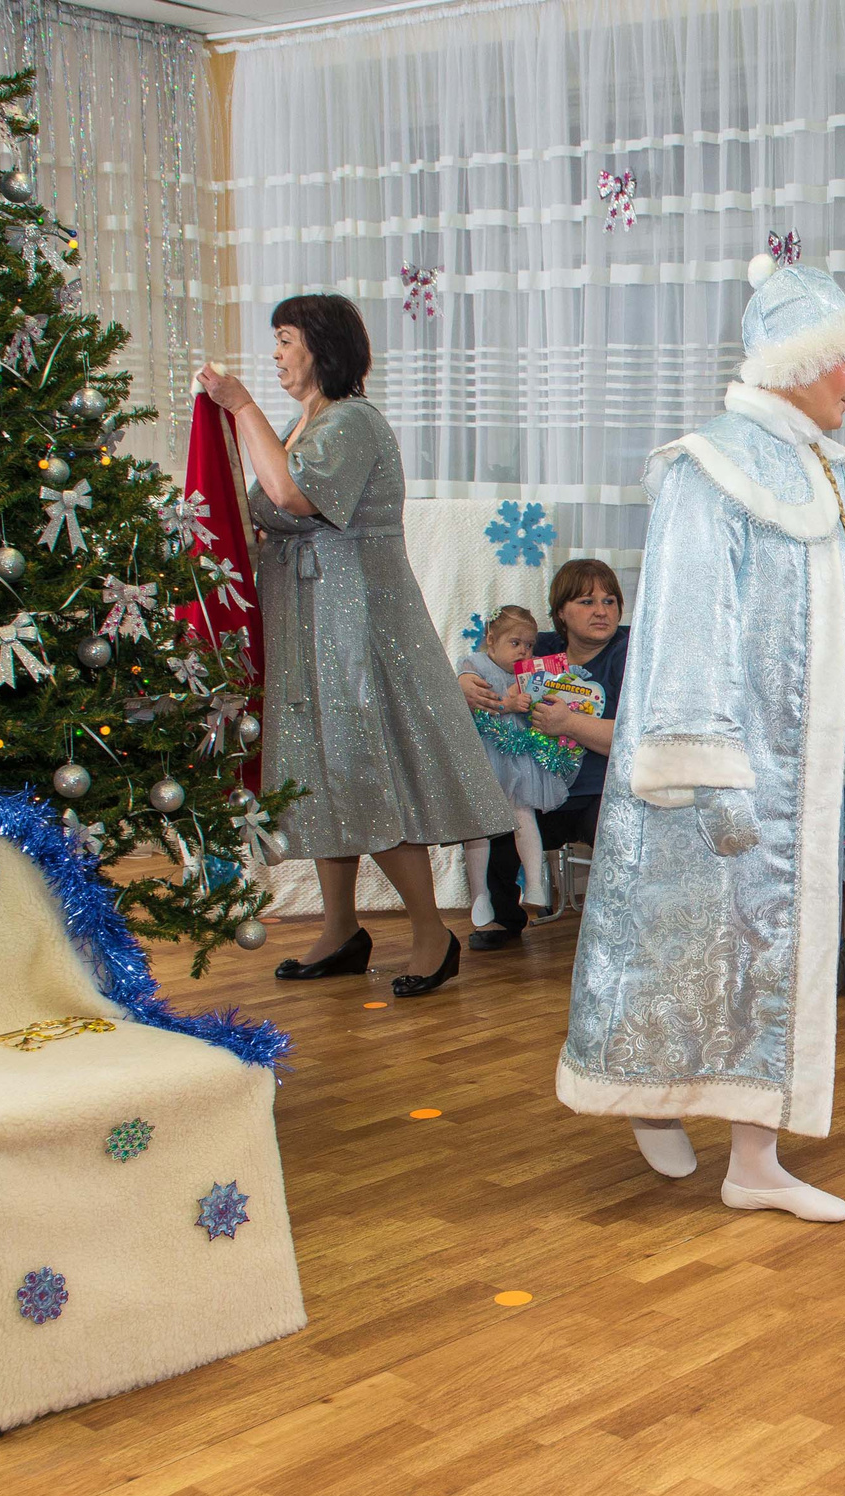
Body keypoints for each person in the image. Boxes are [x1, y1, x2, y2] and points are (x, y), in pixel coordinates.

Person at [556, 253, 845, 1224]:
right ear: (801, 361)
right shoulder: (709, 469)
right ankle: (646, 1091)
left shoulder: (822, 474)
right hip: (721, 773)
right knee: (673, 942)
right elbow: (686, 627)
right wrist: (705, 766)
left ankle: (754, 1157)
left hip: (797, 772)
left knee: (768, 957)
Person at [195, 295, 509, 999]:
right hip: (307, 623)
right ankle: (341, 928)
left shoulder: (353, 421)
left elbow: (290, 494)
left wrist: (238, 404)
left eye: (284, 340)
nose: (275, 355)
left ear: (321, 345)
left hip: (354, 626)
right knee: (316, 768)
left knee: (362, 769)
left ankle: (432, 932)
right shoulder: (305, 421)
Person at [464, 559, 628, 947]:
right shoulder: (539, 646)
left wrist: (569, 724)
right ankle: (500, 918)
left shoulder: (629, 653)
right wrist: (465, 681)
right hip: (538, 785)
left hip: (601, 792)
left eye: (610, 600)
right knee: (493, 817)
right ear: (560, 614)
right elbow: (485, 663)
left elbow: (635, 739)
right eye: (587, 601)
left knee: (620, 828)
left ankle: (621, 924)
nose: (602, 611)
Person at [452, 605, 570, 925]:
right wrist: (509, 703)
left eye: (529, 645)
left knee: (523, 815)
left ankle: (534, 883)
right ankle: (480, 894)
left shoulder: (530, 672)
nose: (523, 651)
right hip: (487, 754)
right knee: (481, 826)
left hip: (518, 756)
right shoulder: (473, 664)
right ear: (491, 640)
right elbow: (478, 700)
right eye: (515, 643)